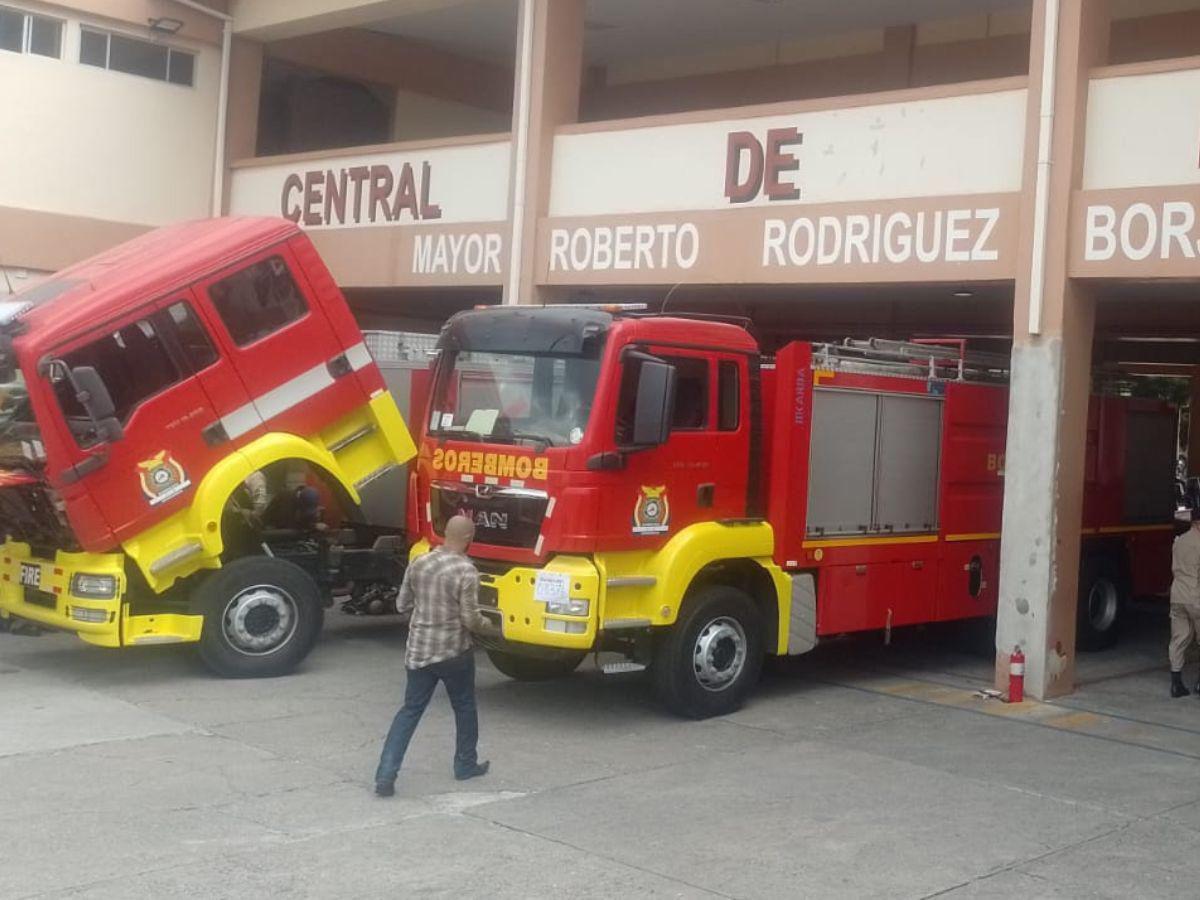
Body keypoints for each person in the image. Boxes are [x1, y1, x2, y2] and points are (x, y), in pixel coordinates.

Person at [374, 515, 491, 795]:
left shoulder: (419, 562)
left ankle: (385, 775)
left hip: (419, 651)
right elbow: (470, 619)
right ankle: (465, 765)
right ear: (468, 539)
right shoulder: (466, 571)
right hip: (453, 652)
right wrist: (489, 626)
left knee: (409, 711)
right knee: (464, 707)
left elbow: (403, 604)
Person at [1169, 508, 1200, 698]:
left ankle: (1176, 685)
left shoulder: (1179, 541)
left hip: (1177, 596)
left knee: (1178, 640)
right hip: (1196, 597)